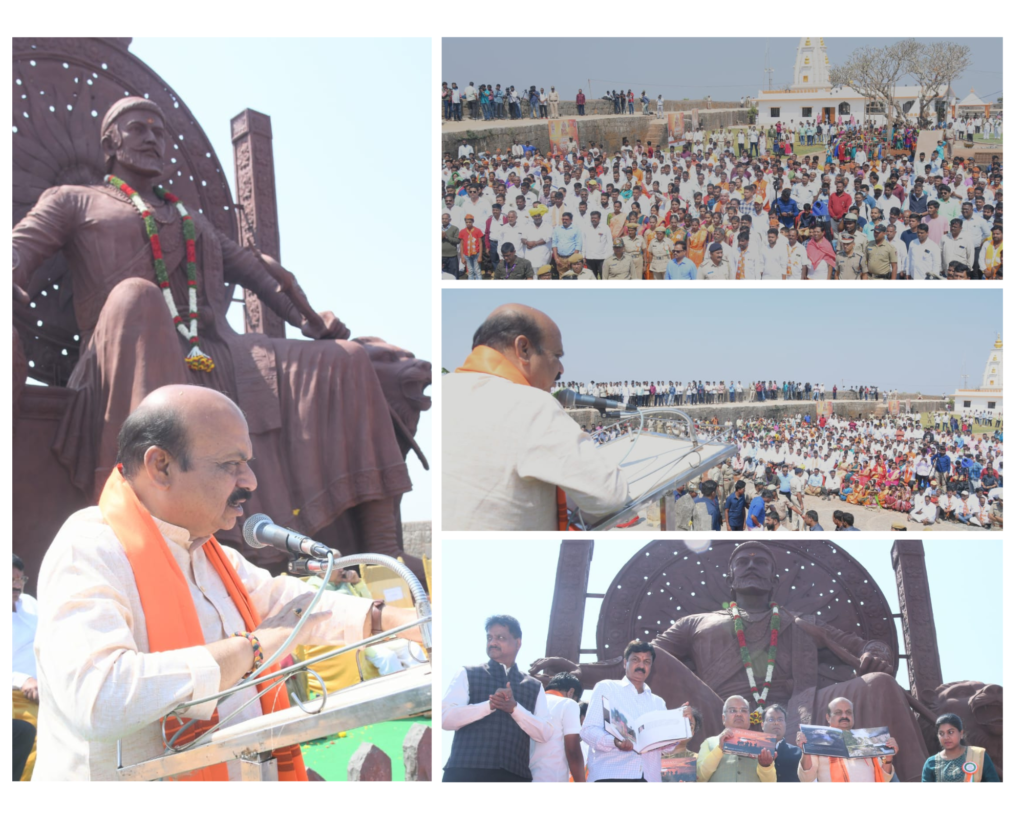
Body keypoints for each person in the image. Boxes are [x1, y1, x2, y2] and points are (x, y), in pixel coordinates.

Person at [14, 97, 420, 572]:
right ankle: (164, 521)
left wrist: (308, 319)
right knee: (138, 296)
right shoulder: (73, 200)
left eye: (159, 131)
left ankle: (381, 545)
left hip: (210, 347)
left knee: (347, 359)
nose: (152, 138)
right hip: (121, 351)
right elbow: (18, 250)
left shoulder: (187, 218)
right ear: (110, 142)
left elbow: (255, 269)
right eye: (138, 128)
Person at [32, 386, 423, 780]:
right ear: (161, 467)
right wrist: (250, 650)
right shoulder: (89, 549)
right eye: (231, 464)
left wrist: (400, 621)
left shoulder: (211, 554)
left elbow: (291, 605)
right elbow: (100, 697)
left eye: (247, 463)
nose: (250, 481)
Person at [442, 305, 629, 530]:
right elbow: (610, 495)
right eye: (556, 356)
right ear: (523, 349)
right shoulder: (529, 403)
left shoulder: (439, 390)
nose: (561, 370)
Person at [442, 615, 552, 782]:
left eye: (500, 637)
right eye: (489, 637)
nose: (493, 642)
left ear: (518, 642)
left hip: (514, 776)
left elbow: (544, 733)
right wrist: (490, 705)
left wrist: (515, 709)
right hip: (464, 772)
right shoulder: (468, 673)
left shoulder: (534, 686)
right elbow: (445, 719)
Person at [579, 640, 686, 782]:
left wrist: (680, 723)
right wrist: (615, 742)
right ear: (625, 663)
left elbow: (666, 749)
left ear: (651, 667)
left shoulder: (658, 702)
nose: (641, 666)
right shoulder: (607, 688)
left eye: (647, 662)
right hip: (611, 775)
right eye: (635, 660)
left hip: (648, 777)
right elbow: (588, 730)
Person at [796, 697, 898, 782]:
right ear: (828, 717)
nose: (844, 716)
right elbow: (806, 779)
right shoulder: (818, 739)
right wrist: (806, 750)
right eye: (838, 712)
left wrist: (888, 758)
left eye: (848, 712)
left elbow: (883, 778)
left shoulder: (865, 739)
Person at [696, 695, 777, 782]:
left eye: (744, 710)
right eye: (733, 710)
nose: (739, 714)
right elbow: (700, 778)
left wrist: (765, 766)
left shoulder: (762, 745)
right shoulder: (709, 742)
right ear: (723, 718)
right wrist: (719, 749)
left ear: (749, 717)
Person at [529, 672, 586, 782]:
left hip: (523, 777)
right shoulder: (568, 704)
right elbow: (572, 751)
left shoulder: (531, 702)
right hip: (552, 777)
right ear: (571, 692)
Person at [12, 554, 39, 781]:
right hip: (15, 696)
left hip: (47, 689)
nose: (16, 585)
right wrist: (23, 680)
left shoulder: (29, 603)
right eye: (10, 579)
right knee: (35, 736)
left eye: (20, 579)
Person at [922, 712, 1000, 782]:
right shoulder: (931, 763)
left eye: (950, 732)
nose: (946, 737)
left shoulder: (979, 756)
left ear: (961, 733)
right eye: (941, 733)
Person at [762, 704, 803, 782]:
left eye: (780, 719)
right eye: (771, 719)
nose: (776, 723)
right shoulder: (753, 751)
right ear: (762, 725)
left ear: (785, 724)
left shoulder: (799, 753)